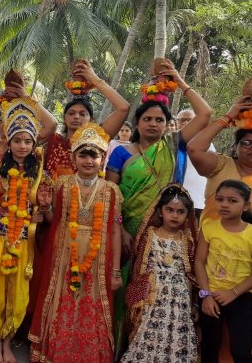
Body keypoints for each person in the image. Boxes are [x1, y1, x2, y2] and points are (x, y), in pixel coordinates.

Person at [105, 58, 211, 354]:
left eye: (159, 120)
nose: (153, 124)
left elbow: (205, 114)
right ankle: (123, 352)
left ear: (168, 124)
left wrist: (179, 79)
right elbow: (112, 194)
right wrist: (121, 230)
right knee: (127, 295)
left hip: (166, 235)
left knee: (160, 296)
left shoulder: (173, 145)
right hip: (126, 234)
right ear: (137, 123)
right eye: (147, 119)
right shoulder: (121, 153)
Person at [29, 123, 122, 362]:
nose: (88, 161)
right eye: (83, 155)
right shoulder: (63, 184)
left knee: (91, 301)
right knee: (63, 298)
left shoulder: (111, 191)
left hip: (97, 257)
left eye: (94, 155)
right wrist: (47, 206)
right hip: (64, 254)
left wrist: (114, 271)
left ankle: (87, 352)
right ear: (74, 157)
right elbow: (53, 219)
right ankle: (57, 349)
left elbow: (114, 231)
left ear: (102, 159)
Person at [0, 96, 56, 363]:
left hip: (24, 239)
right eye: (17, 140)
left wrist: (44, 210)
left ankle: (8, 341)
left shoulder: (42, 175)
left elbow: (48, 217)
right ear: (9, 141)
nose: (22, 146)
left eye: (27, 141)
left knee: (18, 292)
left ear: (34, 143)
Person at [121, 184, 198, 362]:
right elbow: (139, 266)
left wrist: (195, 303)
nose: (174, 215)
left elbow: (192, 272)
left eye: (180, 211)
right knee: (148, 333)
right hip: (153, 296)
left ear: (187, 215)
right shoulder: (150, 234)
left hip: (180, 299)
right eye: (169, 210)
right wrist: (139, 295)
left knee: (177, 336)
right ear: (160, 211)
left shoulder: (188, 238)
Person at [44, 59, 130, 181]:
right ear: (64, 118)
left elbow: (123, 108)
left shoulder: (98, 137)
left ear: (91, 119)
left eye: (82, 114)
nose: (76, 117)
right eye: (71, 113)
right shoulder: (54, 140)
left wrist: (94, 79)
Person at [195, 180, 252, 363]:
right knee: (210, 346)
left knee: (241, 351)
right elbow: (199, 261)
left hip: (242, 296)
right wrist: (205, 295)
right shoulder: (209, 227)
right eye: (220, 199)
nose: (224, 204)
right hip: (211, 295)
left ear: (246, 206)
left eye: (232, 201)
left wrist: (233, 293)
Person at [187, 97, 252, 226]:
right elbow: (194, 149)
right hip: (209, 243)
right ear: (235, 146)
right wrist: (228, 117)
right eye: (247, 143)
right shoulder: (222, 165)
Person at [177, 109, 213, 219]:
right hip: (172, 202)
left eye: (190, 120)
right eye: (182, 120)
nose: (185, 123)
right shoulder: (168, 144)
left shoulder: (206, 144)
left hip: (197, 203)